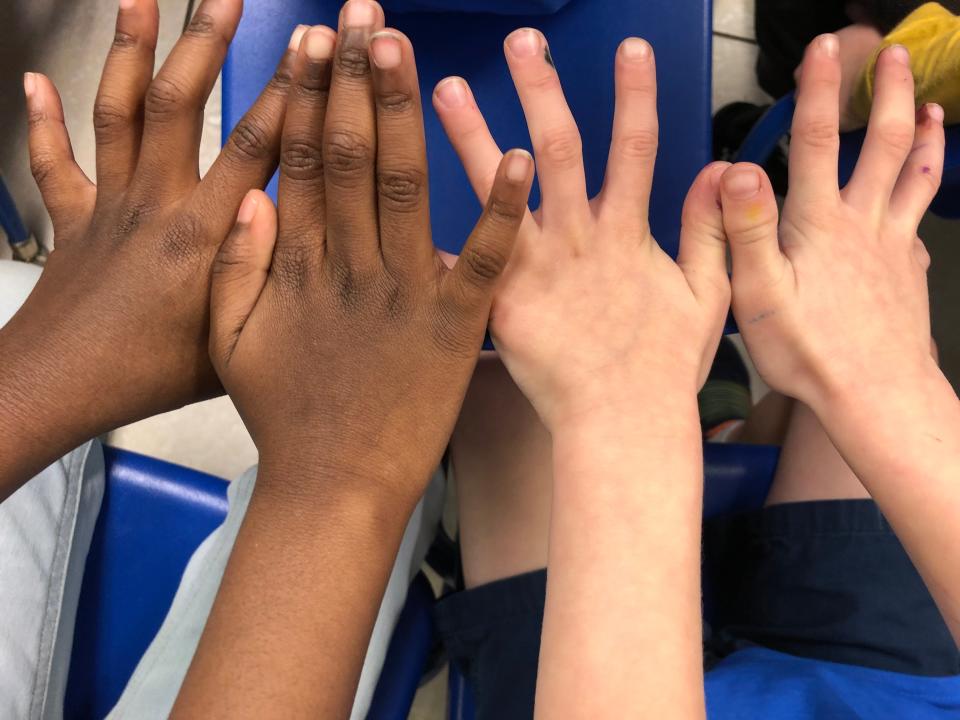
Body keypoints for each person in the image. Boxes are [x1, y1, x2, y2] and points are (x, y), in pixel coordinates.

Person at [433, 29, 960, 719]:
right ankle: (723, 427)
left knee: (506, 376)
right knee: (856, 345)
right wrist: (896, 382)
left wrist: (626, 405)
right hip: (886, 690)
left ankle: (693, 428)